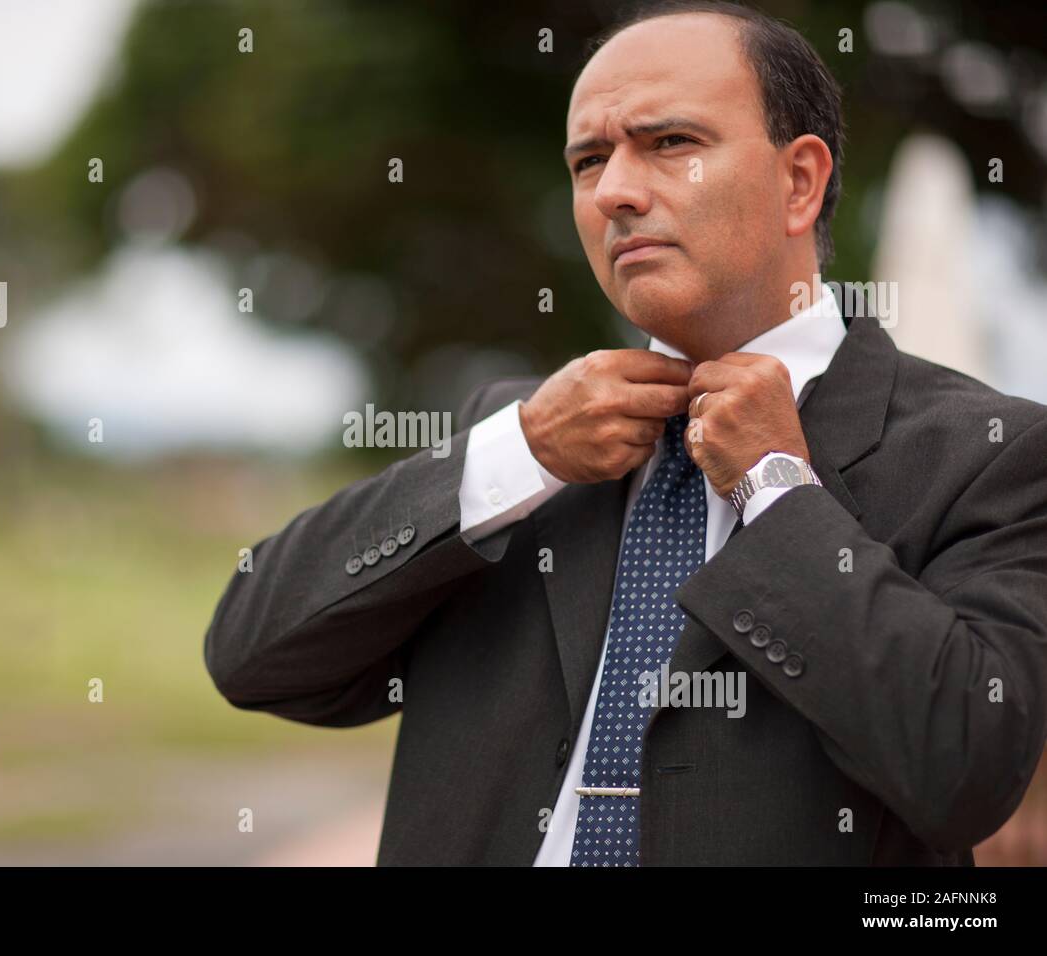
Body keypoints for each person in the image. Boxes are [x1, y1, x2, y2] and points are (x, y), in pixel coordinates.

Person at [204, 1, 1047, 865]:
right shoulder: (514, 442)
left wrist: (776, 486)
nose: (614, 191)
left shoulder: (992, 454)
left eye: (671, 143)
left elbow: (968, 773)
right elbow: (253, 658)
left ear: (799, 182)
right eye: (589, 160)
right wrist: (517, 452)